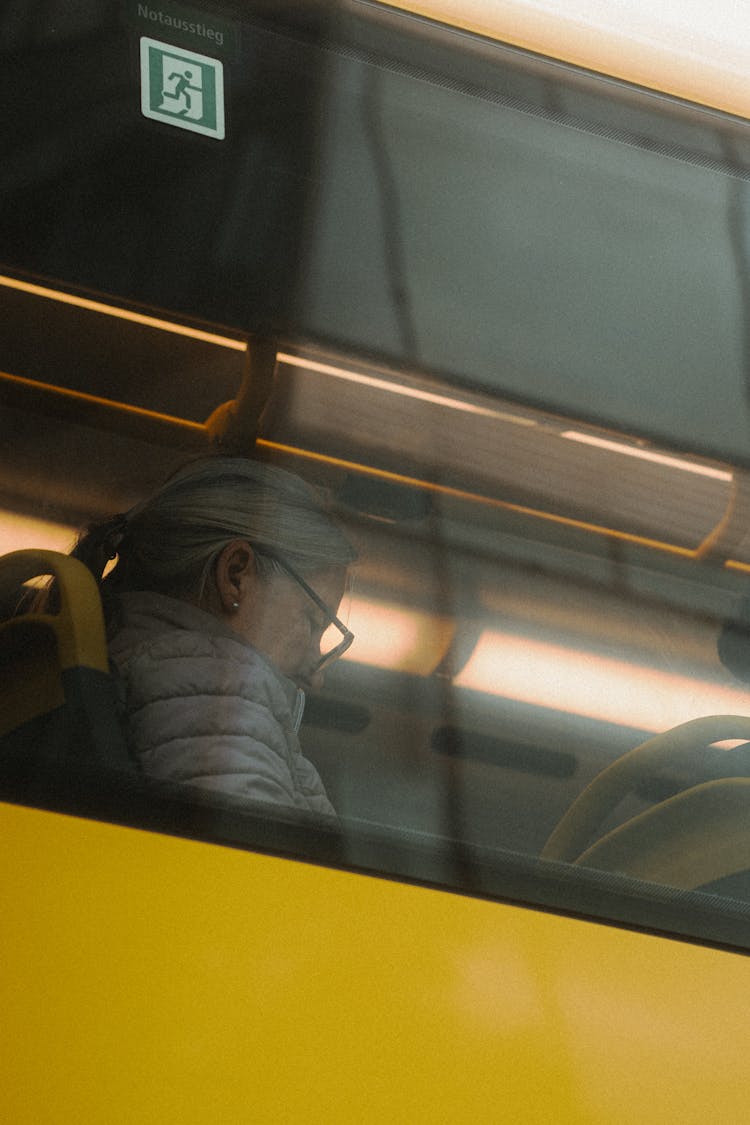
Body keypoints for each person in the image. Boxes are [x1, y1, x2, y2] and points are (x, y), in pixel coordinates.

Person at [68, 456, 356, 817]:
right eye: (313, 623)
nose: (318, 676)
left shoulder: (145, 660)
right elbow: (251, 863)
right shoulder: (216, 692)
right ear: (236, 574)